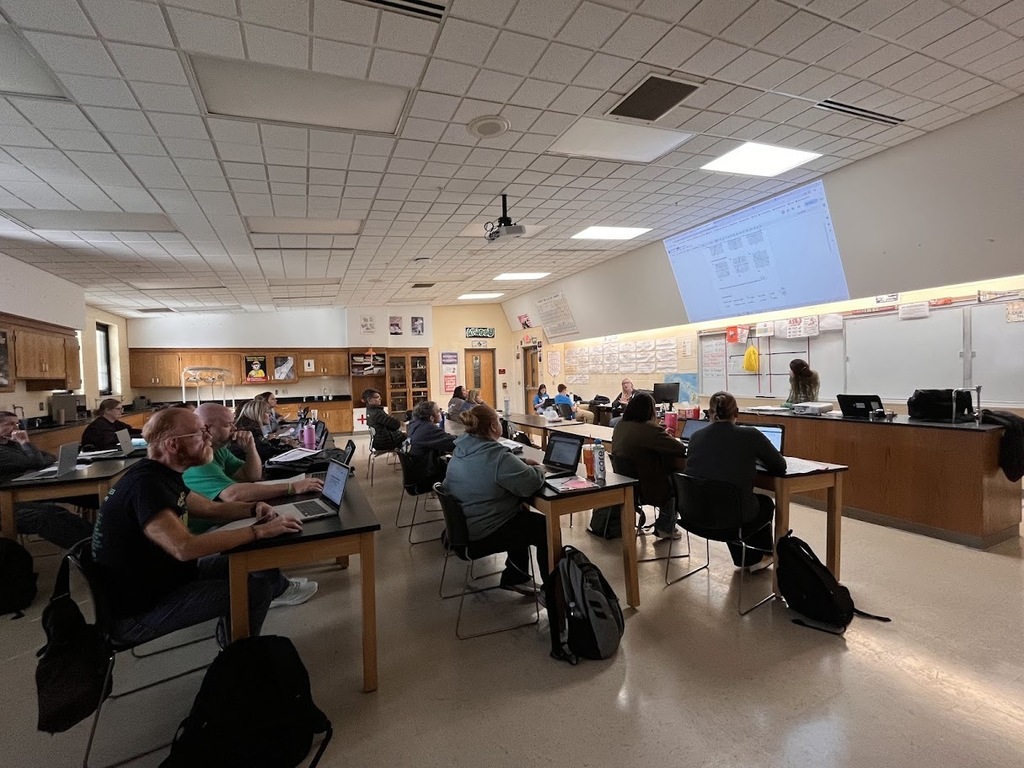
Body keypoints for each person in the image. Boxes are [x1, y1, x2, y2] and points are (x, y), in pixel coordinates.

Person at [90, 407, 303, 646]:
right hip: (140, 610)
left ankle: (233, 639)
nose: (208, 438)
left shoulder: (162, 473)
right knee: (256, 591)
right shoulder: (146, 486)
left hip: (170, 577)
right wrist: (258, 531)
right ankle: (237, 659)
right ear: (172, 445)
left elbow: (210, 509)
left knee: (249, 557)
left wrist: (253, 509)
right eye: (199, 433)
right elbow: (184, 547)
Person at [183, 403, 320, 605]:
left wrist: (250, 448)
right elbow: (233, 495)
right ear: (209, 428)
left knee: (261, 514)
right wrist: (292, 487)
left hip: (213, 520)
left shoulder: (217, 451)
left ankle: (274, 583)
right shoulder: (200, 458)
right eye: (229, 425)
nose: (235, 429)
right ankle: (275, 592)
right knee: (260, 526)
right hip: (200, 535)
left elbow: (252, 476)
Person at [442, 404, 548, 593]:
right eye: (499, 421)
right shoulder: (496, 455)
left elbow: (488, 469)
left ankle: (516, 576)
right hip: (483, 531)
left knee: (520, 516)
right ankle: (553, 592)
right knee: (542, 527)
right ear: (493, 426)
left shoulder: (462, 448)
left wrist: (519, 464)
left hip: (464, 527)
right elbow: (530, 483)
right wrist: (539, 469)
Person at [683, 391, 787, 571]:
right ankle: (758, 557)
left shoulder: (695, 436)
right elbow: (779, 465)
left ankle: (747, 558)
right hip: (729, 522)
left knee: (726, 497)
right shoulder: (750, 435)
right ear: (736, 413)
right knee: (764, 503)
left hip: (695, 516)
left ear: (710, 413)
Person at [0, 411, 94, 549]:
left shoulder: (12, 445)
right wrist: (25, 442)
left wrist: (28, 451)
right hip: (6, 502)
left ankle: (99, 541)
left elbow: (49, 457)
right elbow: (38, 461)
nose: (16, 428)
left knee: (58, 512)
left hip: (21, 492)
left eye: (17, 423)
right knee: (47, 517)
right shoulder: (5, 450)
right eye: (10, 424)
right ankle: (89, 551)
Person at [610, 393, 687, 540]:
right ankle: (665, 527)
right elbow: (679, 449)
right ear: (650, 411)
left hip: (625, 485)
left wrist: (659, 432)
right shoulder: (650, 429)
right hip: (649, 488)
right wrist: (664, 434)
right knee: (677, 483)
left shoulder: (620, 425)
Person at [405, 400, 456, 486]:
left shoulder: (414, 424)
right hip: (425, 475)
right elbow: (452, 444)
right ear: (431, 417)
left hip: (415, 470)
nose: (440, 412)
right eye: (437, 411)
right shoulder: (428, 429)